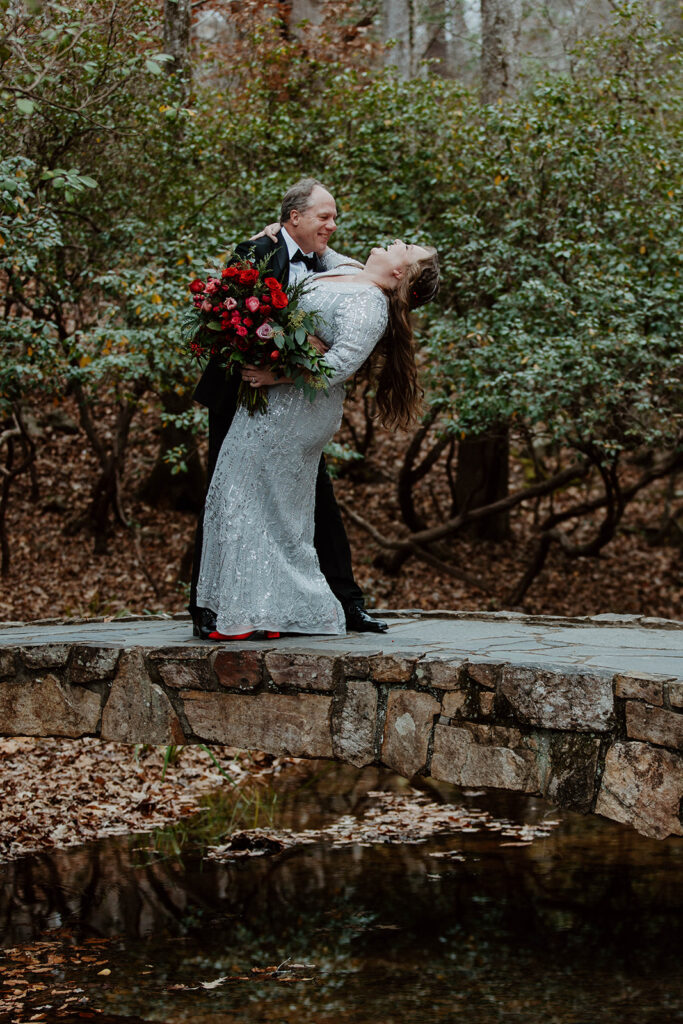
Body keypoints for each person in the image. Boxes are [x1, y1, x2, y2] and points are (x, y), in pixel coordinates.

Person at [196, 239, 440, 640]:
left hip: (299, 411)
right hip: (275, 403)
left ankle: (305, 611)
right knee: (245, 498)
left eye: (406, 247)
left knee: (263, 506)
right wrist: (273, 232)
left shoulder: (370, 305)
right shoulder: (349, 268)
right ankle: (259, 611)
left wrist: (279, 375)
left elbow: (340, 364)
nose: (397, 241)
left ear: (401, 273)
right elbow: (310, 242)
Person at [190, 177, 387, 638]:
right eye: (325, 216)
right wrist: (287, 346)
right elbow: (227, 320)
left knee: (320, 502)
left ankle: (345, 602)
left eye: (334, 217)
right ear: (293, 217)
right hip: (241, 397)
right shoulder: (255, 252)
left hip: (296, 407)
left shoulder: (332, 265)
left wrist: (309, 352)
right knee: (226, 497)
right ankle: (208, 608)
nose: (332, 225)